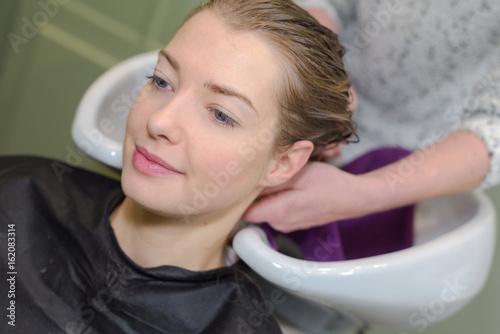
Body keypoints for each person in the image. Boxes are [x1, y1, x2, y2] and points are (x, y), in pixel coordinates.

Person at [0, 0, 355, 332]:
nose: (160, 121)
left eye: (220, 115)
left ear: (283, 163)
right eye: (161, 81)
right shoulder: (18, 194)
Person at [244, 0, 500, 233]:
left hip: (422, 170)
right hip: (328, 106)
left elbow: (494, 128)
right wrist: (325, 75)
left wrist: (365, 195)